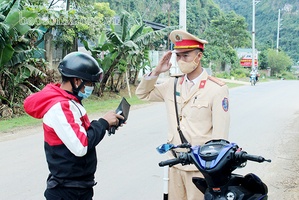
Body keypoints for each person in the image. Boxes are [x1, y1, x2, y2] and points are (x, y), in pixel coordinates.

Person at [135, 30, 230, 200]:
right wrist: (157, 71)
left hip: (199, 169)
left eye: (185, 55)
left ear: (198, 56)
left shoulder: (216, 89)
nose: (180, 60)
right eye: (178, 56)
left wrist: (214, 172)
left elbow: (220, 137)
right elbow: (142, 94)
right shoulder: (171, 84)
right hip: (175, 164)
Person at [24, 52, 124, 200]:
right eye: (90, 83)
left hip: (77, 188)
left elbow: (80, 133)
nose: (91, 88)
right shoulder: (61, 106)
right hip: (67, 192)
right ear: (77, 81)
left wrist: (107, 124)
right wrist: (102, 123)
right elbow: (81, 146)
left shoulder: (70, 101)